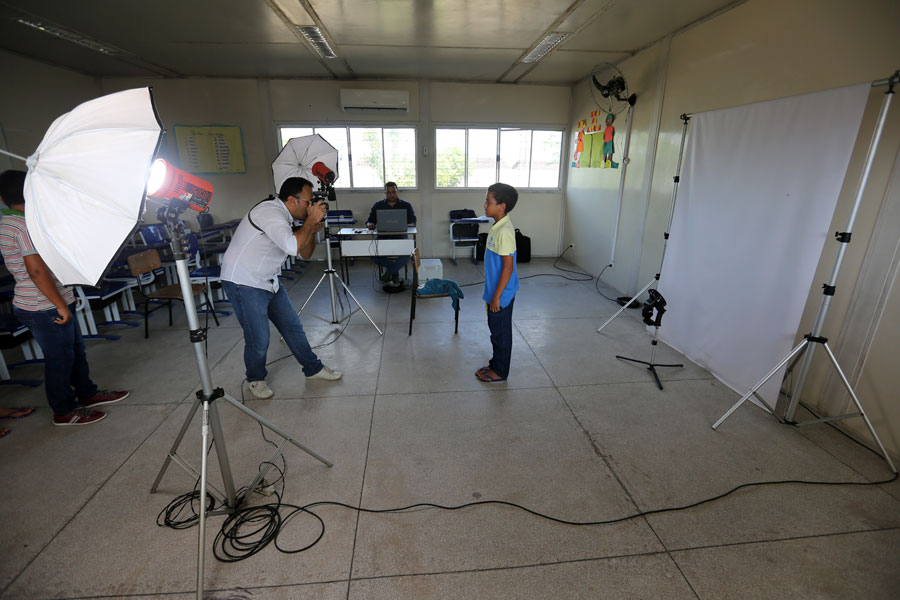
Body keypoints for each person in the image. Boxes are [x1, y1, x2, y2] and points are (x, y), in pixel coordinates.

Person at [0, 170, 128, 426]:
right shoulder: (21, 226)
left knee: (75, 352)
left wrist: (67, 296)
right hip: (42, 305)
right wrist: (60, 305)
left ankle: (87, 393)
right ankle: (64, 411)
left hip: (54, 300)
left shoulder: (22, 220)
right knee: (59, 359)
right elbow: (36, 271)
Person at [221, 176, 342, 400]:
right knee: (259, 337)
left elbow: (305, 253)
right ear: (291, 200)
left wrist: (313, 228)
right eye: (308, 202)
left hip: (268, 280)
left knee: (292, 327)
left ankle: (313, 369)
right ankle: (255, 379)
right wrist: (308, 223)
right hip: (244, 281)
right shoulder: (270, 213)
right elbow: (292, 247)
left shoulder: (286, 217)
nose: (310, 205)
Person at [476, 183, 519, 383]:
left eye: (488, 201)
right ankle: (495, 364)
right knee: (495, 330)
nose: (484, 205)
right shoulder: (497, 226)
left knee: (501, 334)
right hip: (495, 290)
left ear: (501, 206)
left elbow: (508, 268)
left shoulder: (505, 231)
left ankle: (500, 372)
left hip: (501, 294)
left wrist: (497, 296)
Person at [365, 181, 416, 288]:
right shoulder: (378, 205)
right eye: (388, 193)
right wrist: (370, 224)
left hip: (401, 238)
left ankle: (389, 273)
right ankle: (394, 271)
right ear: (385, 193)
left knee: (408, 255)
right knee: (373, 255)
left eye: (393, 192)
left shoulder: (406, 205)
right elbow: (369, 221)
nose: (391, 195)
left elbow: (413, 222)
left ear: (397, 192)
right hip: (383, 239)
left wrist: (404, 224)